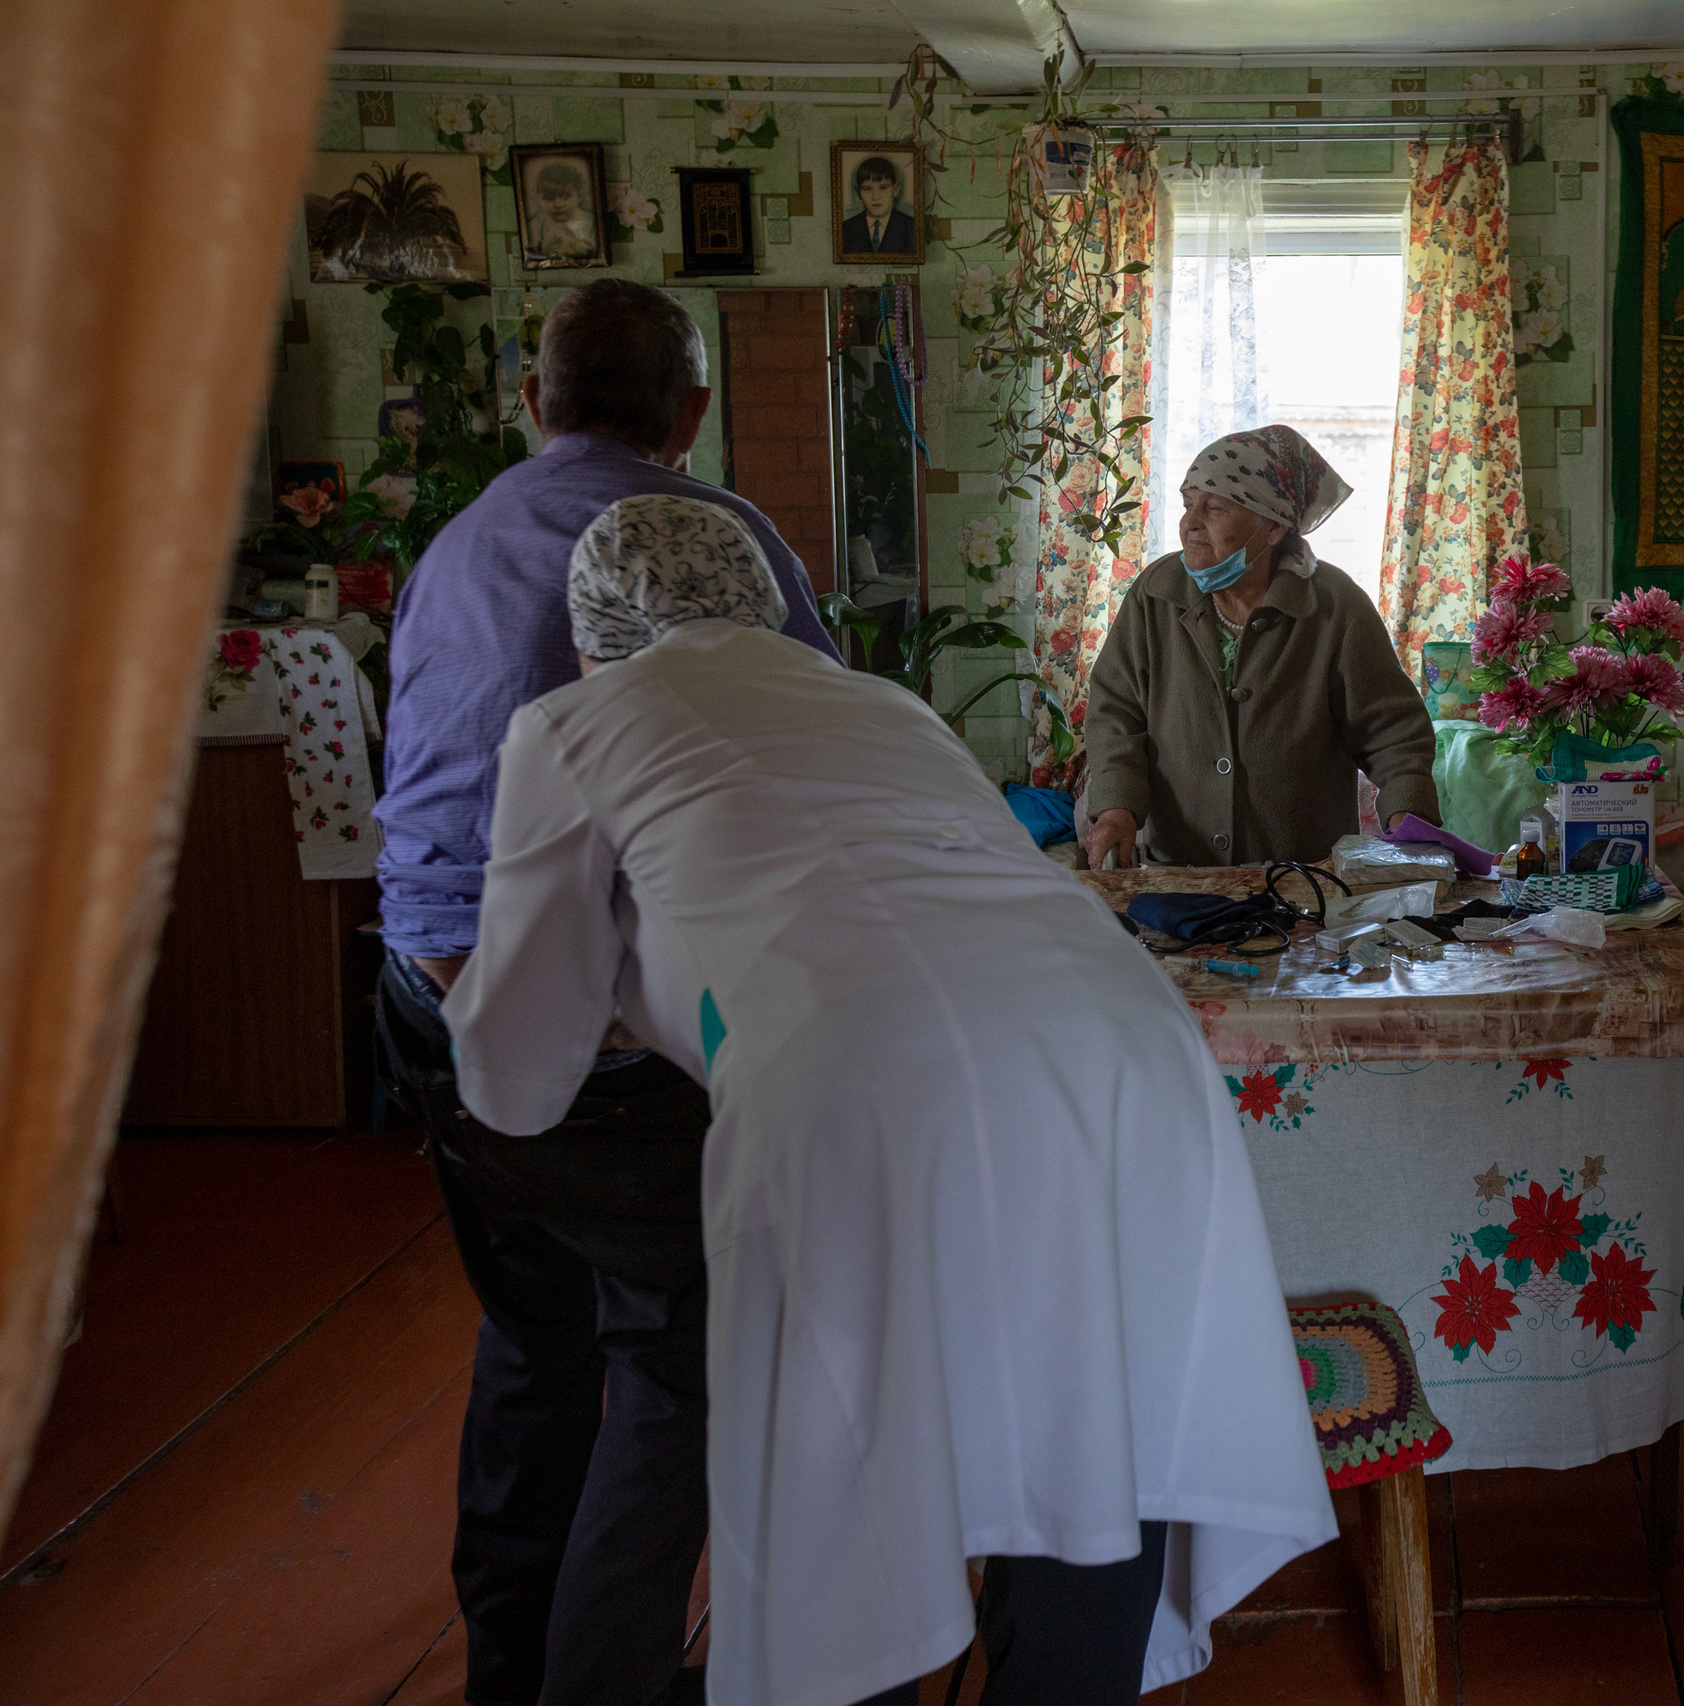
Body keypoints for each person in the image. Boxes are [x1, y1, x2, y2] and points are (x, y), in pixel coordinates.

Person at [444, 494, 1335, 1706]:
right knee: (1099, 1398)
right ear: (765, 604)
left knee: (847, 1474)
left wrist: (620, 983)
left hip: (856, 1074)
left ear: (592, 634)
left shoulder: (573, 720)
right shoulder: (881, 703)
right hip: (1120, 1038)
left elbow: (515, 1069)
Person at [372, 278, 839, 1706]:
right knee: (677, 1365)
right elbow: (803, 758)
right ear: (690, 413)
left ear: (535, 401)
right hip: (602, 1037)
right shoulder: (718, 538)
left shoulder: (453, 542)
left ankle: (511, 1669)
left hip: (424, 995)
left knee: (534, 1337)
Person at [1080, 425, 1439, 868]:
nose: (1191, 523)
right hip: (1179, 870)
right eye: (1189, 504)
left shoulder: (1334, 606)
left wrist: (1408, 818)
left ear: (1272, 527)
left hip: (1302, 876)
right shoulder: (1155, 595)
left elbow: (1394, 733)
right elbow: (1115, 715)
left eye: (1215, 508)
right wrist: (1116, 808)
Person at [840, 154, 916, 256]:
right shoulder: (845, 229)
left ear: (896, 189)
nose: (875, 197)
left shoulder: (912, 227)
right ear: (858, 193)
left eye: (883, 187)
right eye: (867, 189)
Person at [525, 158, 598, 261]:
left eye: (566, 197)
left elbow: (595, 253)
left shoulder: (592, 222)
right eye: (549, 198)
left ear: (579, 195)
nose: (558, 204)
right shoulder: (536, 224)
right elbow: (534, 256)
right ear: (539, 199)